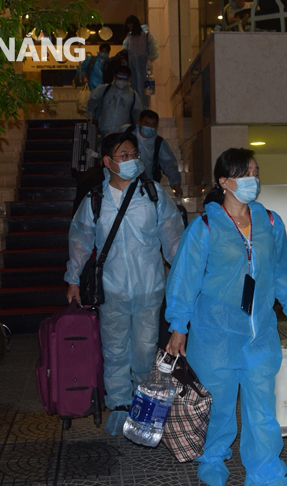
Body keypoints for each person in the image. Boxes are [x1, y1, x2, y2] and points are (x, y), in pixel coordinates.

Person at [165, 148, 287, 486]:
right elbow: (184, 279)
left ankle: (264, 474)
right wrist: (178, 326)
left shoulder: (270, 222)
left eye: (256, 172)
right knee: (220, 404)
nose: (253, 180)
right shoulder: (205, 227)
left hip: (259, 335)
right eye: (245, 174)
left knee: (262, 409)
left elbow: (278, 270)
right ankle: (212, 456)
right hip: (215, 336)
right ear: (224, 182)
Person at [64, 132, 184, 436]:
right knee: (115, 348)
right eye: (124, 155)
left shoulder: (154, 194)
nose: (132, 161)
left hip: (149, 288)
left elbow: (174, 240)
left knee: (144, 349)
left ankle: (142, 403)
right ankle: (118, 404)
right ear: (107, 162)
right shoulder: (96, 200)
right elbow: (79, 239)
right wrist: (73, 278)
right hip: (113, 288)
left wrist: (185, 279)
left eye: (134, 155)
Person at [120, 110, 183, 198]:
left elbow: (169, 164)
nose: (150, 127)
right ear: (139, 122)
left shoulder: (159, 143)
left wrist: (176, 184)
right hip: (124, 183)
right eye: (147, 123)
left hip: (147, 185)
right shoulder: (126, 137)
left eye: (153, 124)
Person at [86, 66, 142, 138]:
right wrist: (90, 115)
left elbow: (137, 115)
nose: (121, 81)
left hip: (123, 133)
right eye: (119, 77)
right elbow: (92, 101)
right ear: (114, 77)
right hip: (103, 131)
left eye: (124, 78)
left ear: (129, 79)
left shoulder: (133, 95)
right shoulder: (105, 89)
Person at [122, 16, 159, 108]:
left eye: (131, 27)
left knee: (144, 92)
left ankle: (144, 109)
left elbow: (153, 51)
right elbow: (125, 51)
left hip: (144, 68)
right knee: (134, 90)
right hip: (133, 68)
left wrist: (149, 61)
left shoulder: (147, 36)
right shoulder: (129, 38)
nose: (130, 29)